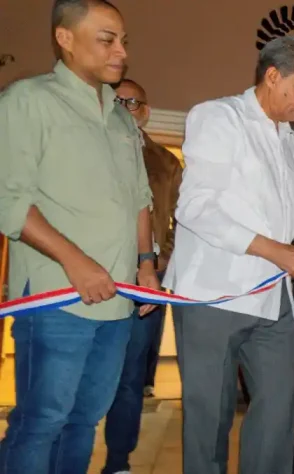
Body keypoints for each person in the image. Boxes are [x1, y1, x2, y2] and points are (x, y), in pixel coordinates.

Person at [163, 36, 294, 474]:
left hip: (272, 300)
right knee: (210, 416)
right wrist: (275, 251)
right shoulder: (218, 118)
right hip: (213, 294)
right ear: (272, 77)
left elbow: (293, 215)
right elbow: (195, 207)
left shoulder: (287, 140)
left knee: (279, 411)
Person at [0, 1, 160, 472]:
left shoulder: (120, 119)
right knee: (42, 420)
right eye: (107, 39)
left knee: (85, 419)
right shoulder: (28, 101)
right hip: (55, 298)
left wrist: (146, 265)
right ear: (65, 39)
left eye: (124, 41)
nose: (121, 52)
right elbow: (10, 202)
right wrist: (75, 261)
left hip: (117, 302)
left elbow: (140, 200)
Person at [101, 77, 183, 474]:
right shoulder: (88, 149)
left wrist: (163, 259)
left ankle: (118, 462)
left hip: (144, 282)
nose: (123, 107)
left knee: (130, 378)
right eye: (116, 100)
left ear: (145, 111)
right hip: (92, 276)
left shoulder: (166, 163)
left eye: (132, 102)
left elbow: (180, 218)